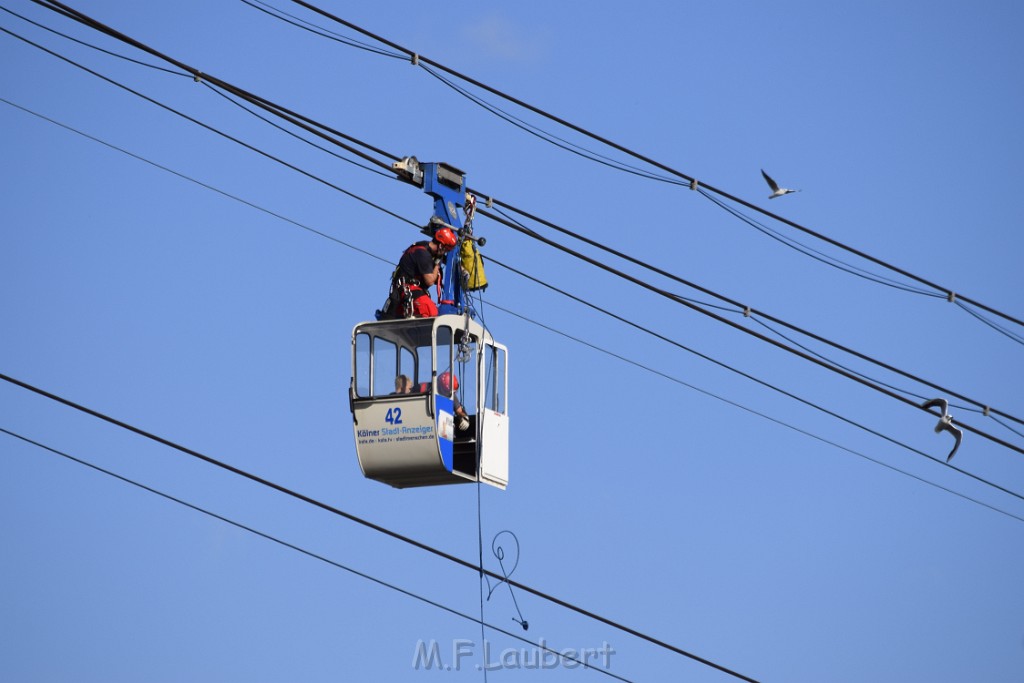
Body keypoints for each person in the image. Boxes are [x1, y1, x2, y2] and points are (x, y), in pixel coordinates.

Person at [380, 227, 458, 319]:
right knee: (431, 311)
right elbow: (429, 281)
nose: (444, 253)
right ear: (441, 246)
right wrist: (437, 263)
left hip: (403, 293)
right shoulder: (423, 254)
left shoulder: (423, 247)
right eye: (446, 250)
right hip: (409, 291)